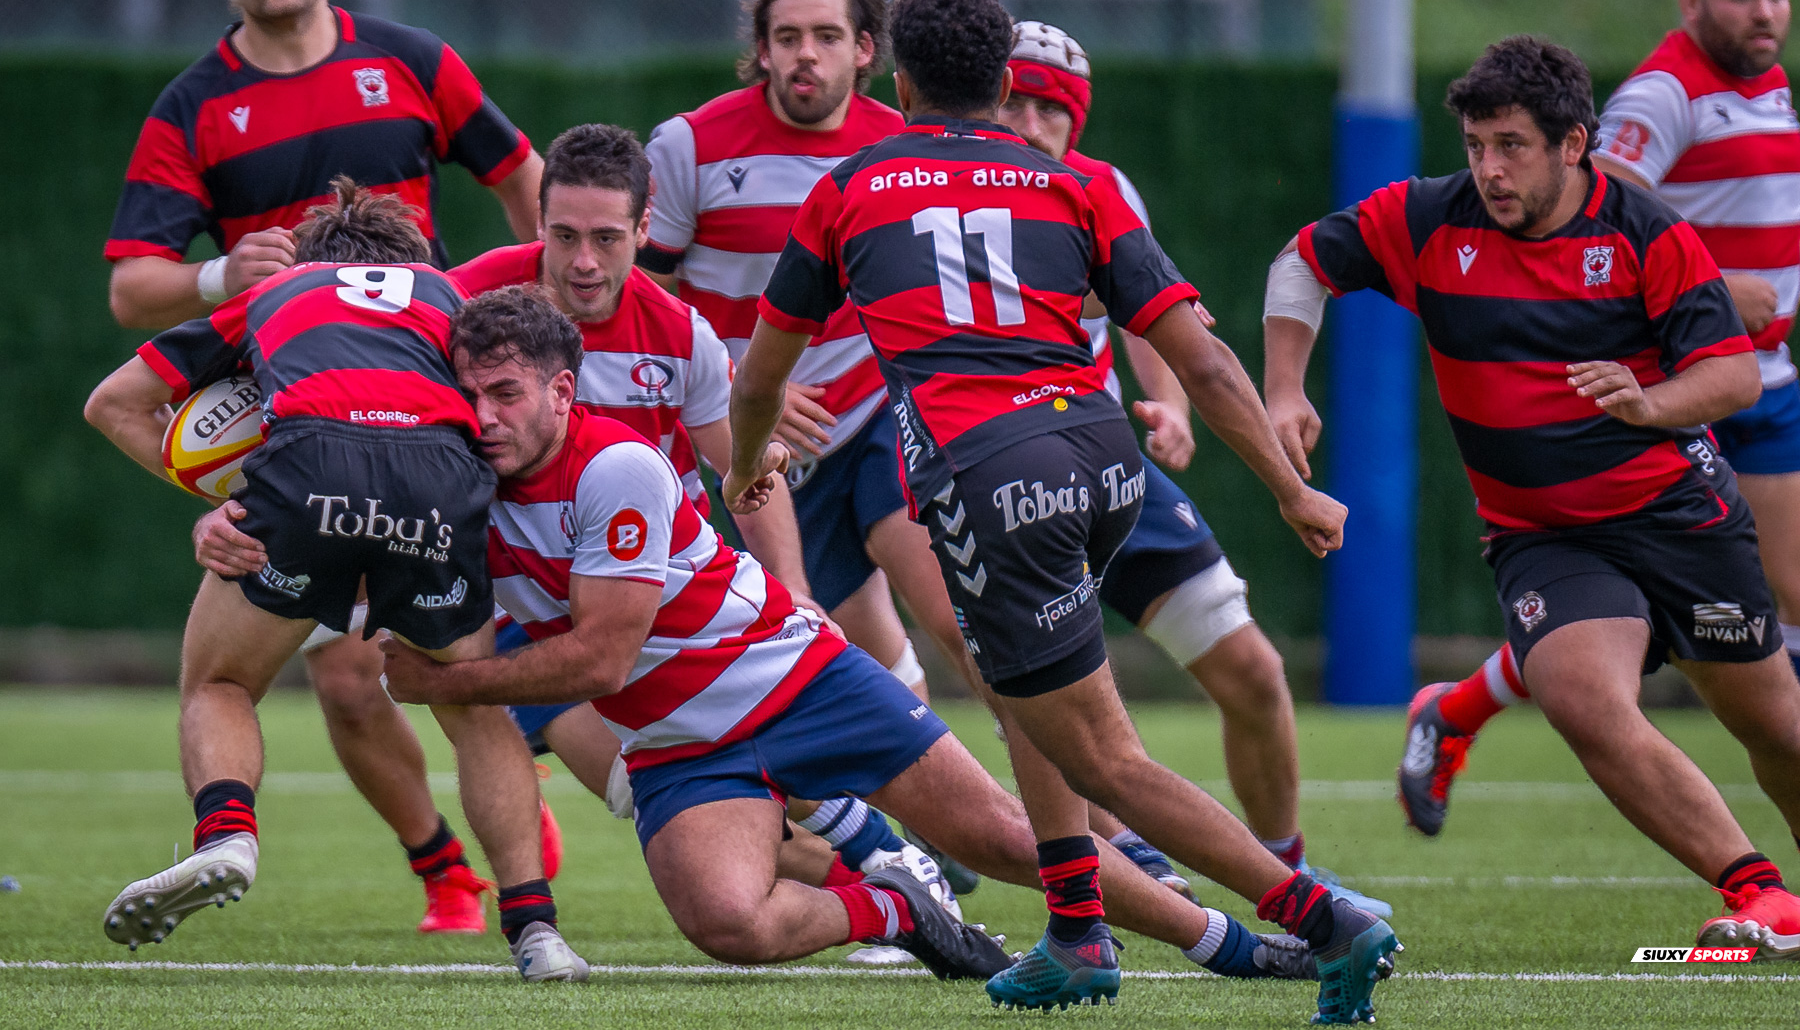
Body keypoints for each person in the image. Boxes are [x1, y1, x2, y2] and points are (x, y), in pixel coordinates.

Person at [728, 0, 1397, 1022]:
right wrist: (1289, 488)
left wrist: (745, 461)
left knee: (1108, 754)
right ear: (1004, 84)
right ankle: (1079, 930)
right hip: (1103, 456)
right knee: (1021, 678)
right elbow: (1206, 364)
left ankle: (1323, 916)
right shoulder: (1073, 186)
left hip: (988, 475)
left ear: (898, 82)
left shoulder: (850, 186)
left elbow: (765, 371)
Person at [372, 285, 1322, 998]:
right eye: (470, 397)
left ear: (563, 392)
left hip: (790, 674)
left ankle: (1226, 942)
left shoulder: (614, 465)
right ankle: (897, 903)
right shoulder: (460, 481)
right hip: (679, 739)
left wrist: (445, 679)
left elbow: (599, 659)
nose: (485, 416)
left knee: (1006, 834)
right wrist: (236, 527)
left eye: (504, 393)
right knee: (727, 924)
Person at [1264, 34, 1800, 959]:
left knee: (1772, 723)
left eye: (1511, 145)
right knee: (1580, 695)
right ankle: (1760, 893)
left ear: (1573, 144)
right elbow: (1302, 261)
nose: (1489, 169)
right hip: (1543, 530)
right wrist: (1283, 387)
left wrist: (1650, 402)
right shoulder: (1432, 217)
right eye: (1476, 144)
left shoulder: (1645, 233)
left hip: (1677, 513)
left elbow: (1732, 379)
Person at [99, 0, 548, 933]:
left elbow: (521, 176)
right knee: (357, 679)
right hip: (281, 400)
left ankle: (504, 845)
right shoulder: (194, 105)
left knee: (430, 665)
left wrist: (531, 327)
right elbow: (132, 287)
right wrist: (220, 273)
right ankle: (460, 871)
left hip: (425, 387)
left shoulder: (410, 60)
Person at [84, 180, 585, 981]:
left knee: (219, 681)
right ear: (411, 263)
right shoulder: (451, 296)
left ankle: (228, 835)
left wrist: (225, 503)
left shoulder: (278, 292)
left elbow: (113, 404)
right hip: (435, 483)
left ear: (314, 265)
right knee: (472, 704)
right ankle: (535, 928)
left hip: (305, 468)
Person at [449, 122, 947, 902]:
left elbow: (744, 469)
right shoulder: (469, 301)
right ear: (537, 222)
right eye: (565, 234)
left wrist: (795, 587)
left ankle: (888, 870)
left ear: (646, 231)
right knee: (642, 790)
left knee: (728, 766)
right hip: (527, 596)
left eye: (608, 237)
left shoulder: (681, 334)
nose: (584, 260)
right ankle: (887, 877)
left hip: (661, 599)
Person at [1399, 0, 1800, 838]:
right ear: (1693, 5)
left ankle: (1459, 706)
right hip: (1653, 380)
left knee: (1763, 610)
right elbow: (1595, 202)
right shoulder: (1662, 95)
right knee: (1679, 605)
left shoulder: (1767, 89)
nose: (1766, 11)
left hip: (1755, 380)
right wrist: (1710, 286)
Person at [995, 21, 1388, 917]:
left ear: (1076, 120)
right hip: (989, 480)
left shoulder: (1098, 189)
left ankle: (1285, 867)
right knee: (1039, 696)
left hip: (1103, 466)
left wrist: (1167, 406)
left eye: (1048, 105)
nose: (1029, 119)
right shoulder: (948, 190)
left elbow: (1151, 317)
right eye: (1011, 99)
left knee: (1253, 672)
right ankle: (1111, 869)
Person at [639, 0, 936, 700]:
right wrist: (748, 387)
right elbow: (647, 307)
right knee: (827, 657)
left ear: (864, 48)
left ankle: (1081, 819)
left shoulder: (899, 149)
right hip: (749, 438)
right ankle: (936, 806)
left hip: (873, 415)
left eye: (827, 36)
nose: (807, 55)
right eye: (788, 37)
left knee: (959, 612)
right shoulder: (690, 147)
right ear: (762, 50)